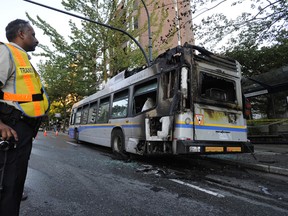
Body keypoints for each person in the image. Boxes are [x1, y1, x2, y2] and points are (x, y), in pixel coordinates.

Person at [0, 19, 49, 216]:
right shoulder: (6, 52)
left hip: (22, 128)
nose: (36, 40)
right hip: (12, 127)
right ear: (21, 34)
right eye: (33, 34)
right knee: (8, 187)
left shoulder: (22, 58)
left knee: (15, 183)